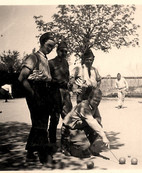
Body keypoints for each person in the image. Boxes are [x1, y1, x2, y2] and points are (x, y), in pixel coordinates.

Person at [18, 32, 56, 166]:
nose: (50, 49)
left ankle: (30, 152)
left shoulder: (45, 59)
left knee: (38, 123)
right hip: (36, 92)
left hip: (45, 92)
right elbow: (22, 78)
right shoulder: (33, 57)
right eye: (49, 45)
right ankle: (45, 156)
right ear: (42, 42)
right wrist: (33, 93)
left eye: (53, 47)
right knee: (41, 124)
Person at [61, 88, 110, 158]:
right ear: (90, 98)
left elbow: (98, 118)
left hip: (80, 127)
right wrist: (104, 136)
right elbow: (92, 122)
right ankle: (67, 145)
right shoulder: (84, 106)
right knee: (82, 151)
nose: (97, 103)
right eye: (95, 100)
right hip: (70, 128)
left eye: (99, 101)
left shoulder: (94, 106)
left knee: (98, 125)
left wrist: (96, 121)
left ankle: (87, 147)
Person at [48, 41, 73, 146]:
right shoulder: (50, 63)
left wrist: (69, 85)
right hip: (55, 92)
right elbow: (48, 79)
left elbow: (67, 77)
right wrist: (57, 83)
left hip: (65, 93)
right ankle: (52, 142)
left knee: (68, 118)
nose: (64, 53)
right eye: (62, 51)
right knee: (55, 118)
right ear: (57, 51)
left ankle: (65, 143)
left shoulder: (66, 63)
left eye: (66, 51)